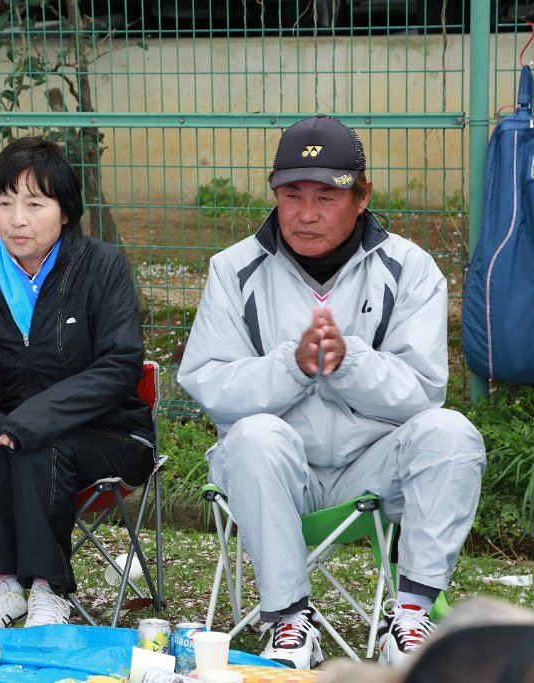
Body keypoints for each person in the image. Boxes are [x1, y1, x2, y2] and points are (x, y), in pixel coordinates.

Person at [177, 115, 486, 668]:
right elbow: (209, 384)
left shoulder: (410, 268)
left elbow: (422, 393)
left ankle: (410, 617)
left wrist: (349, 362)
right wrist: (292, 366)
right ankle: (290, 621)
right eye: (291, 195)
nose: (306, 213)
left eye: (326, 196)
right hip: (273, 472)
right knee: (253, 435)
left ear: (362, 196)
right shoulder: (234, 269)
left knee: (451, 434)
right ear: (274, 193)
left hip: (371, 471)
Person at [0, 136, 154, 631]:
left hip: (110, 434)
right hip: (13, 428)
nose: (16, 220)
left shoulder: (101, 266)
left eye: (34, 204)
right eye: (4, 204)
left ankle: (50, 589)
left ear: (65, 211)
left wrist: (30, 421)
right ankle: (4, 584)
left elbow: (120, 365)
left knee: (39, 444)